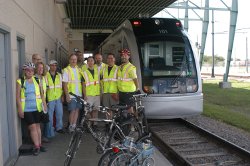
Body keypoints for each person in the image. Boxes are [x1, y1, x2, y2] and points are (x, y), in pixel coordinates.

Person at [16, 62, 47, 156]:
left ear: (34, 71)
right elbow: (17, 97)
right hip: (27, 109)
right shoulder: (20, 81)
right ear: (24, 71)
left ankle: (39, 144)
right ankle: (36, 146)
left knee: (38, 126)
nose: (30, 72)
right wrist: (20, 109)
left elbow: (42, 94)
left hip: (37, 108)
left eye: (32, 70)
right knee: (32, 127)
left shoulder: (37, 80)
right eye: (28, 70)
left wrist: (44, 104)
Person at [62, 53, 83, 133]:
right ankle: (70, 126)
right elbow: (65, 84)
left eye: (75, 59)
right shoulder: (66, 70)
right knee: (72, 111)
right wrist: (67, 95)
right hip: (71, 94)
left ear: (77, 60)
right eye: (72, 59)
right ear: (69, 60)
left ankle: (74, 125)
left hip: (79, 94)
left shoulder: (79, 69)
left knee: (77, 110)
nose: (74, 61)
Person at [45, 60, 64, 137]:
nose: (54, 67)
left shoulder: (59, 75)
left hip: (58, 97)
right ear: (49, 66)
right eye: (52, 65)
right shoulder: (46, 75)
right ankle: (50, 130)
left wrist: (62, 96)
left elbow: (61, 87)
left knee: (59, 114)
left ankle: (59, 128)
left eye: (55, 65)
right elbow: (45, 88)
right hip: (50, 98)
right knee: (50, 116)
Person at [117, 49, 140, 113]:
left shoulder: (131, 67)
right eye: (122, 55)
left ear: (129, 57)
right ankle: (126, 122)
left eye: (125, 55)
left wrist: (137, 89)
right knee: (122, 109)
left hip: (129, 93)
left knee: (130, 110)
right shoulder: (119, 67)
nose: (123, 57)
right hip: (121, 92)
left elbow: (135, 79)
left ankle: (132, 122)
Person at [82, 56, 101, 130]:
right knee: (87, 111)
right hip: (88, 95)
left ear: (94, 62)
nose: (90, 62)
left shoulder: (98, 71)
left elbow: (100, 83)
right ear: (87, 63)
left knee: (95, 110)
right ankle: (89, 125)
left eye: (92, 61)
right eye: (89, 61)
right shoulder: (84, 73)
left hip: (96, 94)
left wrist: (100, 94)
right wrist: (85, 95)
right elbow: (83, 85)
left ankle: (95, 125)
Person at [35, 62, 49, 143]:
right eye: (39, 68)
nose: (41, 69)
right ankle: (39, 139)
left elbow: (44, 91)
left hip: (43, 103)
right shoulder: (35, 78)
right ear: (36, 68)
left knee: (43, 121)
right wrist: (44, 103)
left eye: (42, 68)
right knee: (39, 122)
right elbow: (40, 93)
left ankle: (41, 137)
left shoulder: (43, 78)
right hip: (38, 103)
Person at [101, 53, 119, 119]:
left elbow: (120, 82)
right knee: (107, 109)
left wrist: (118, 93)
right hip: (105, 93)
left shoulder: (118, 68)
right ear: (106, 60)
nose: (110, 59)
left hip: (114, 93)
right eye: (108, 58)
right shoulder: (103, 69)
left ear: (114, 59)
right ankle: (108, 124)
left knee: (115, 109)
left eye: (111, 58)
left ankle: (114, 124)